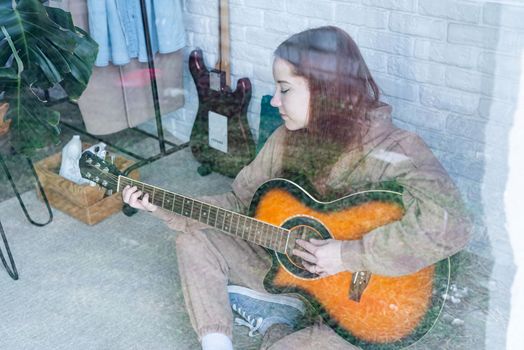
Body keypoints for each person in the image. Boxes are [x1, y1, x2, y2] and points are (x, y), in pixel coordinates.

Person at [122, 26, 471, 350]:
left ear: (326, 89)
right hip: (284, 269)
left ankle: (279, 322)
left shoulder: (395, 149)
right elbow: (238, 201)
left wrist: (346, 255)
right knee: (192, 240)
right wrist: (162, 204)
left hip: (359, 310)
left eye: (284, 89)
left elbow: (452, 224)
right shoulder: (285, 138)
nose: (274, 101)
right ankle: (232, 335)